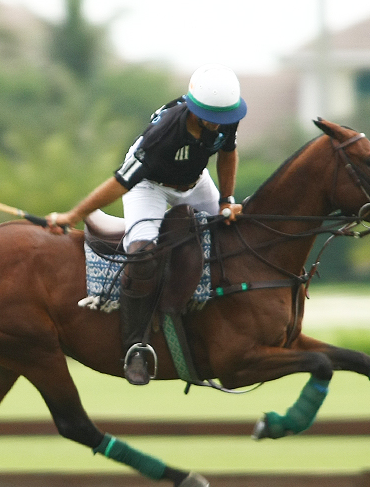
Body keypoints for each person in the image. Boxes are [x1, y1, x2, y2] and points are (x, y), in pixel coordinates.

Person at [47, 63, 247, 385]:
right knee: (142, 253)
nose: (217, 125)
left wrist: (226, 199)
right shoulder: (165, 133)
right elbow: (120, 182)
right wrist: (72, 215)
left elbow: (228, 154)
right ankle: (136, 346)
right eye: (211, 118)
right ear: (194, 109)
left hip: (195, 182)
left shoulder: (225, 117)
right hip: (148, 186)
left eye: (223, 119)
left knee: (234, 232)